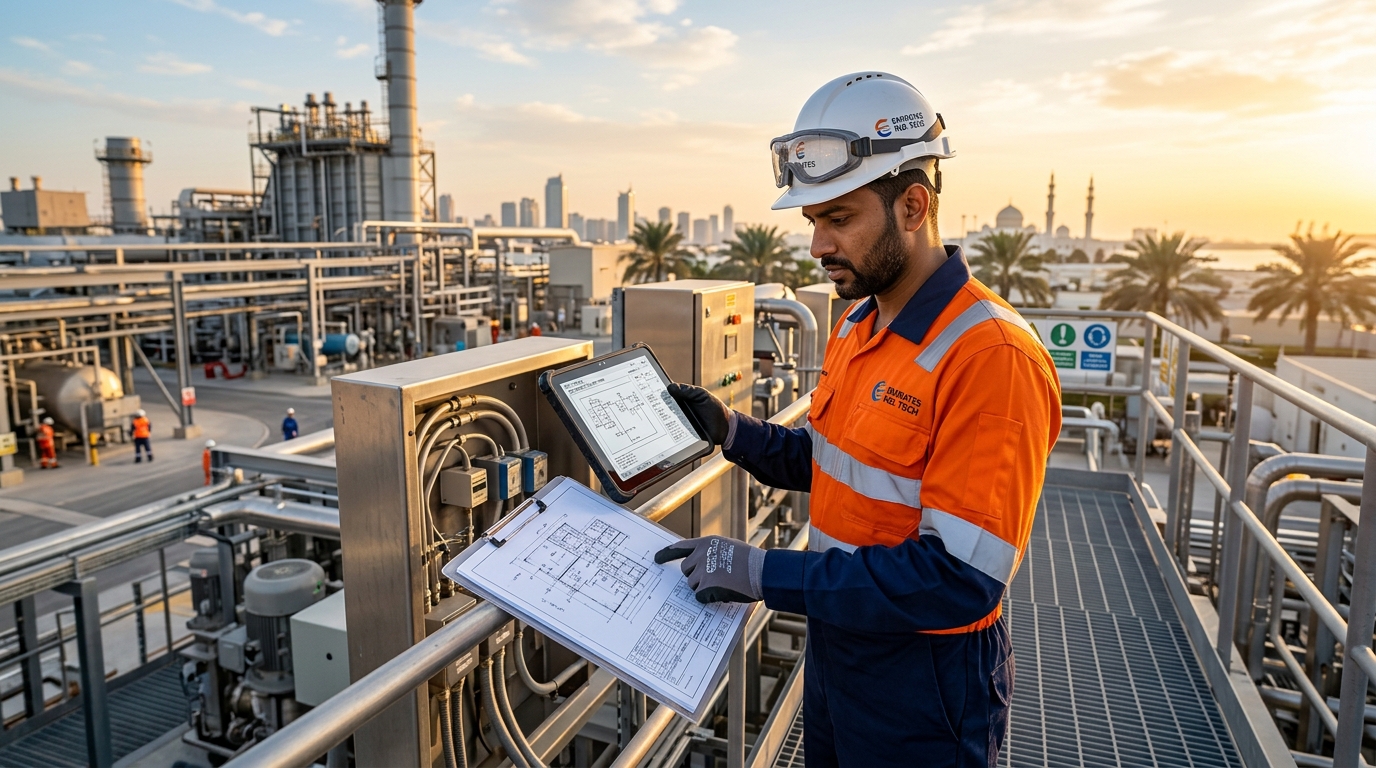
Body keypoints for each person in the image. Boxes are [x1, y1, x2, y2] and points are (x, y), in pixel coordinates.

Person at [656, 72, 1062, 767]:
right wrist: (731, 432)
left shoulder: (990, 356)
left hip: (925, 683)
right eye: (812, 221)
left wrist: (762, 573)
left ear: (912, 206)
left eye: (838, 218)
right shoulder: (862, 323)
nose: (816, 245)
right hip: (843, 644)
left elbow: (956, 578)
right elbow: (833, 458)